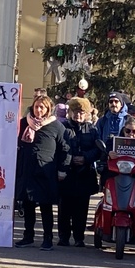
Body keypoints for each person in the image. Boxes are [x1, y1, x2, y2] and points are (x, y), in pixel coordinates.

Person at [14, 95, 69, 250]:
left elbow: (65, 148)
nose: (38, 110)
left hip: (46, 173)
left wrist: (62, 170)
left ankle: (47, 238)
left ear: (48, 109)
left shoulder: (56, 126)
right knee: (28, 205)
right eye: (36, 106)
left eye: (42, 107)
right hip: (27, 171)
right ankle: (28, 236)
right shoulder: (24, 123)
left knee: (46, 207)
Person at [56, 97, 101, 247]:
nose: (78, 115)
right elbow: (59, 148)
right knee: (64, 208)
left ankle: (79, 237)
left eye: (81, 112)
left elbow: (98, 150)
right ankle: (63, 237)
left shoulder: (93, 129)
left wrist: (85, 158)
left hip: (84, 173)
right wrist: (70, 159)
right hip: (67, 173)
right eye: (75, 111)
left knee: (81, 209)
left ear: (86, 113)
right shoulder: (63, 127)